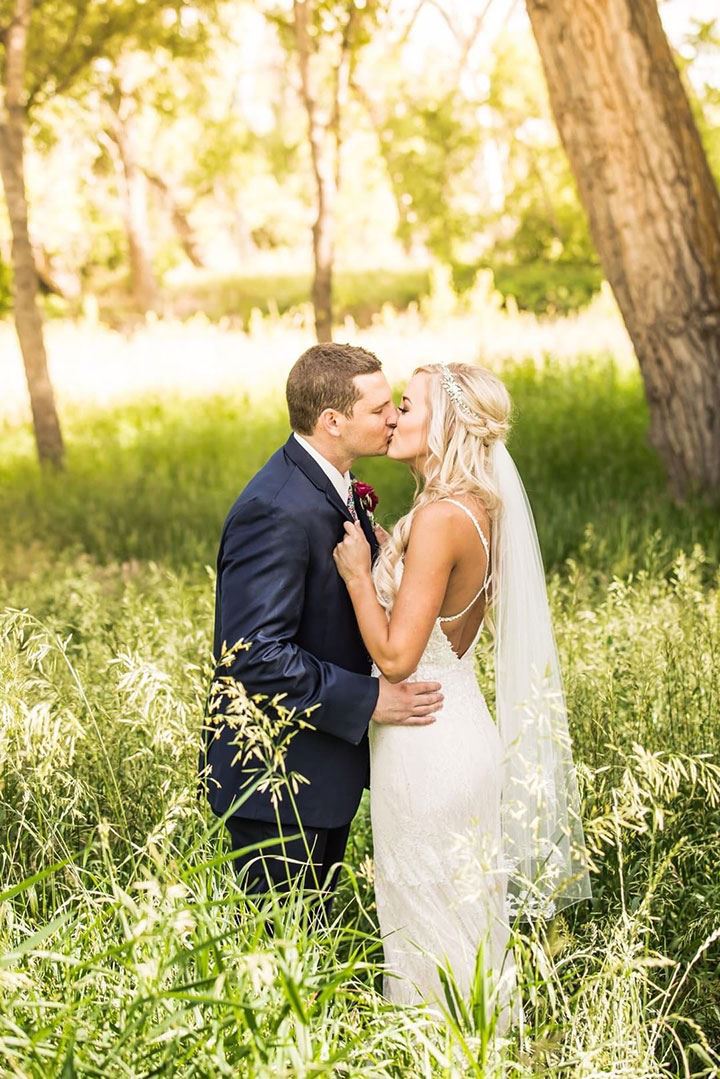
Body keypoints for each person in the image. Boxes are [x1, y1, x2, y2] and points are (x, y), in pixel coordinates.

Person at [333, 362, 591, 1020]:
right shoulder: (475, 509)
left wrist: (363, 575)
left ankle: (440, 1056)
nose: (393, 417)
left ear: (445, 422)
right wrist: (397, 556)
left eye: (408, 406)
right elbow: (445, 605)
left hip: (426, 746)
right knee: (464, 924)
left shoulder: (442, 518)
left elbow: (395, 656)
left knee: (426, 922)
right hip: (459, 727)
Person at [199, 342, 443, 916]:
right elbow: (252, 654)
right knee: (281, 956)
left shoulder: (332, 485)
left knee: (310, 945)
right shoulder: (278, 509)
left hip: (317, 773)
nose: (393, 417)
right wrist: (369, 698)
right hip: (278, 780)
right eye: (379, 408)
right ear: (332, 421)